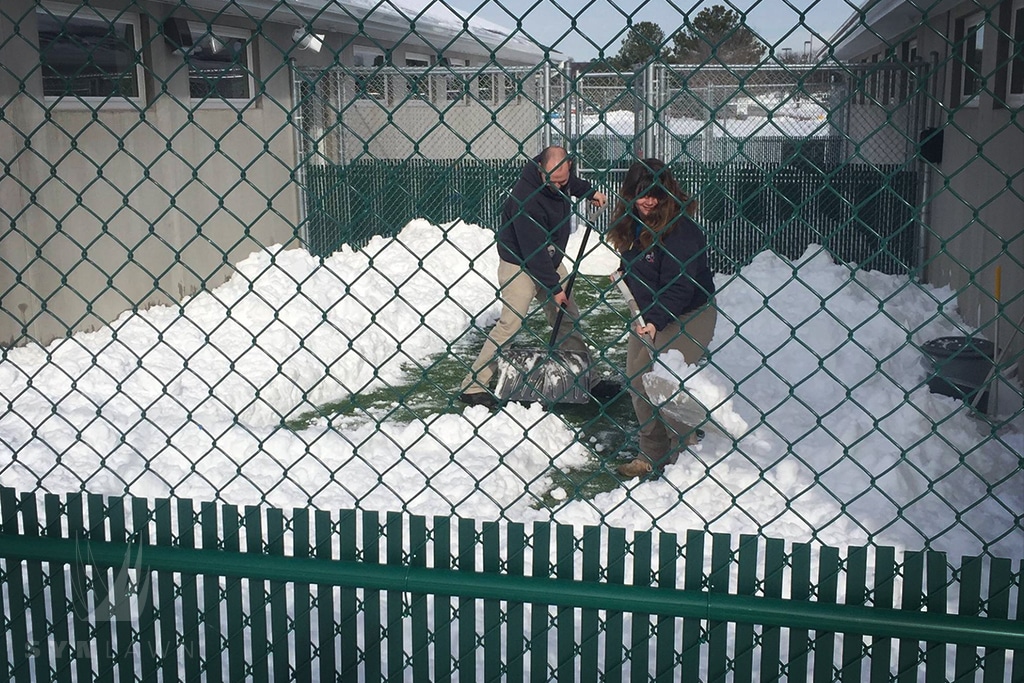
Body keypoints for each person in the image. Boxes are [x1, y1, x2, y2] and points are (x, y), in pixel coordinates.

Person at [458, 146, 607, 407]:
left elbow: (572, 184)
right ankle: (473, 385)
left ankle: (585, 377)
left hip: (549, 257)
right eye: (554, 181)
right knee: (511, 324)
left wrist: (590, 192)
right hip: (520, 263)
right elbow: (532, 251)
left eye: (563, 181)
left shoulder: (561, 177)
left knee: (567, 317)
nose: (560, 187)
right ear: (541, 169)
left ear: (567, 167)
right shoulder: (524, 198)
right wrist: (555, 288)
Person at [606, 159, 717, 479]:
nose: (650, 201)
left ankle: (688, 449)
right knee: (637, 378)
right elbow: (641, 267)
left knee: (664, 379)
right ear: (629, 193)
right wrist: (626, 275)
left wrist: (654, 319)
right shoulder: (631, 223)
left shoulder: (681, 230)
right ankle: (652, 453)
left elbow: (681, 285)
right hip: (650, 313)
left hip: (690, 312)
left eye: (657, 194)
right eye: (643, 194)